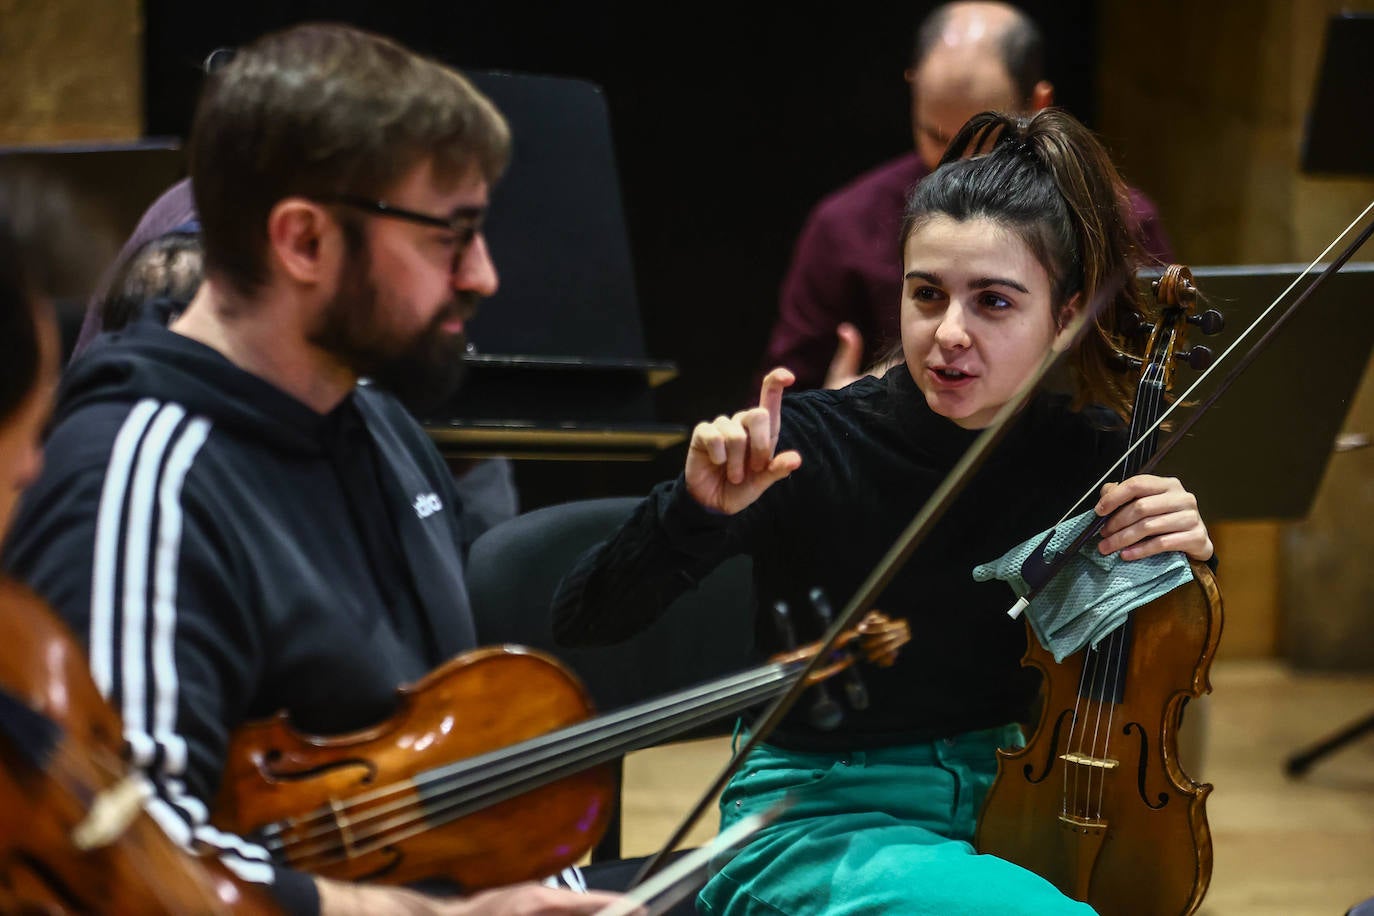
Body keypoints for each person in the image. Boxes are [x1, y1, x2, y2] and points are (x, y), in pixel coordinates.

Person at [2, 22, 628, 916]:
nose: (484, 275)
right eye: (450, 235)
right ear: (303, 241)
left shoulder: (379, 427)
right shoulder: (138, 478)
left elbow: (462, 768)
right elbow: (135, 866)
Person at [552, 108, 1214, 914]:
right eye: (927, 295)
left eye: (993, 302)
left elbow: (1143, 662)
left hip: (1018, 808)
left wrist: (1182, 553)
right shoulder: (809, 444)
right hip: (819, 821)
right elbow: (583, 617)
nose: (950, 333)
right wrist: (694, 512)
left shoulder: (1090, 456)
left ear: (1065, 315)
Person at [762, 0, 1176, 393]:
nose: (955, 163)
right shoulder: (843, 225)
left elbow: (1156, 380)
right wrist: (835, 412)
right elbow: (783, 397)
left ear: (1038, 104)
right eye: (935, 136)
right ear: (913, 88)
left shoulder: (1118, 218)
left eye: (983, 139)